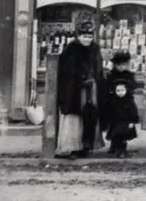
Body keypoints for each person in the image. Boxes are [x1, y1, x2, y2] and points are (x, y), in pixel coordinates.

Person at [55, 20, 106, 159]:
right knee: (74, 117)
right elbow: (66, 72)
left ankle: (86, 146)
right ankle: (71, 148)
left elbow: (99, 69)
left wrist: (95, 81)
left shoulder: (95, 49)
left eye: (89, 37)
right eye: (84, 36)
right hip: (75, 90)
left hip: (92, 89)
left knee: (90, 116)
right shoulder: (71, 49)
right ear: (78, 36)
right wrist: (80, 80)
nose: (87, 40)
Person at [104, 50, 136, 155]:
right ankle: (113, 145)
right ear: (115, 65)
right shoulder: (111, 75)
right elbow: (107, 87)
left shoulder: (130, 75)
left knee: (124, 127)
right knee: (114, 125)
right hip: (113, 103)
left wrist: (127, 93)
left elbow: (132, 87)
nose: (121, 67)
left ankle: (122, 146)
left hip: (126, 103)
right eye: (119, 65)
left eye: (124, 65)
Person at [104, 78, 139, 158]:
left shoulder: (129, 101)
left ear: (126, 90)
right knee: (116, 136)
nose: (120, 93)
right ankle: (117, 150)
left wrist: (132, 121)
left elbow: (133, 112)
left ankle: (123, 150)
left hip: (125, 122)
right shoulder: (112, 101)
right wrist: (108, 120)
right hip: (115, 122)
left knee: (123, 136)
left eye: (122, 90)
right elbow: (109, 111)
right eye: (118, 91)